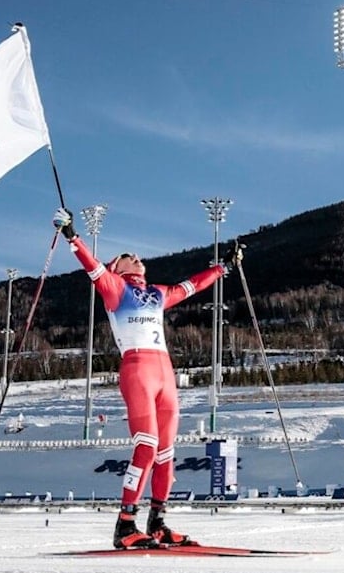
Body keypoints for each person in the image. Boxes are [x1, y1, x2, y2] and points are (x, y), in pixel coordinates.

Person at [52, 207, 243, 549]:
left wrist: (223, 266)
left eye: (137, 254)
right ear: (118, 268)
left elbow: (192, 286)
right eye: (128, 256)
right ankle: (125, 524)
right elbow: (92, 268)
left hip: (165, 373)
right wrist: (72, 236)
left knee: (167, 453)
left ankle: (158, 522)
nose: (137, 256)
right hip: (138, 370)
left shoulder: (156, 293)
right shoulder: (114, 289)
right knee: (146, 446)